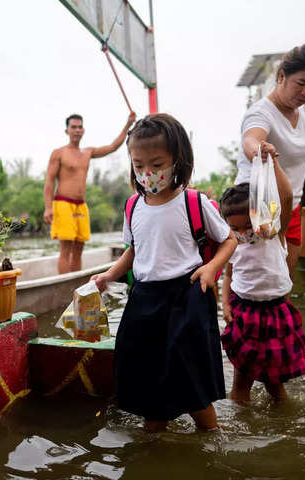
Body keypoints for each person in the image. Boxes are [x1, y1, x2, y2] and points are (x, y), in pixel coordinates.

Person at [92, 114, 236, 432]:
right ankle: (153, 440)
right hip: (144, 299)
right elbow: (134, 251)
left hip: (188, 294)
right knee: (147, 375)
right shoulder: (133, 207)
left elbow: (230, 239)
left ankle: (211, 438)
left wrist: (212, 268)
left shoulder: (194, 202)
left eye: (156, 164)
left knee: (191, 375)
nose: (148, 173)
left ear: (177, 160)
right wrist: (107, 276)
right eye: (139, 165)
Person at [235, 41, 305, 277]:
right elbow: (250, 141)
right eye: (301, 84)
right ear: (282, 76)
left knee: (284, 282)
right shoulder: (261, 112)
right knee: (255, 285)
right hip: (255, 209)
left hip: (290, 209)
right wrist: (260, 150)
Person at [220, 142, 305, 403]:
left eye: (249, 224)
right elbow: (228, 275)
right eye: (236, 227)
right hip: (245, 311)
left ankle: (281, 433)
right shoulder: (233, 243)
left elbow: (286, 198)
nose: (244, 232)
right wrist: (225, 304)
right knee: (241, 385)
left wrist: (274, 163)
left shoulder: (273, 234)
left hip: (276, 311)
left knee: (276, 387)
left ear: (259, 216)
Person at [44, 111, 135, 274]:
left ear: (83, 130)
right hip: (63, 203)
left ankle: (75, 285)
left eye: (80, 127)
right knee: (66, 248)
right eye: (73, 127)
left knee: (79, 247)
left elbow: (112, 147)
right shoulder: (59, 153)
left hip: (81, 206)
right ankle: (65, 287)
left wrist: (128, 124)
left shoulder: (87, 152)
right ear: (67, 130)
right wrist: (48, 207)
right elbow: (49, 181)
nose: (77, 130)